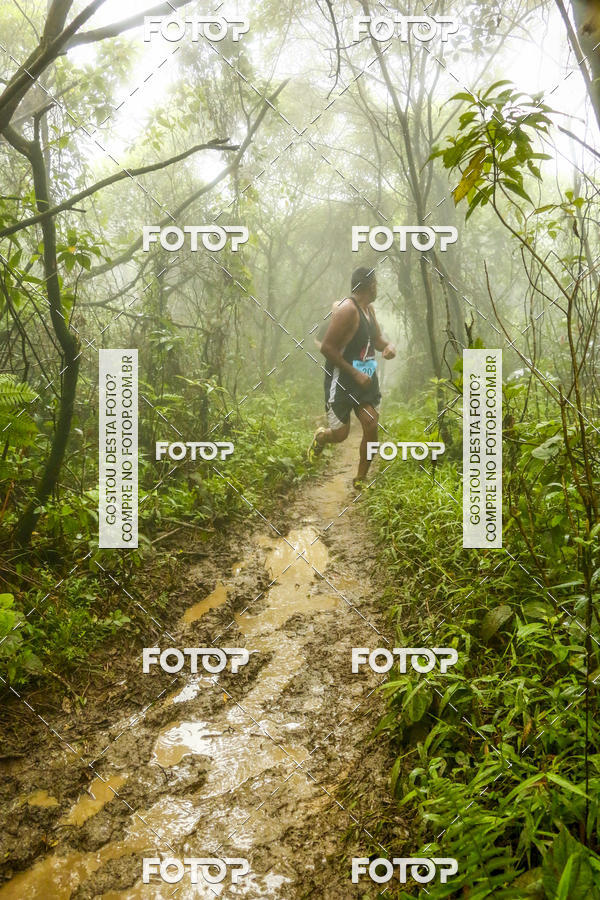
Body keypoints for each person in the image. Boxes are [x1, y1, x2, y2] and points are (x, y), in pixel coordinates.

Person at [308, 266, 396, 489]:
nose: (377, 287)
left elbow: (377, 339)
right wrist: (355, 373)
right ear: (369, 285)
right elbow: (327, 348)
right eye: (375, 283)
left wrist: (389, 347)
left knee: (371, 423)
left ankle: (360, 479)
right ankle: (321, 437)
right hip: (343, 380)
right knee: (340, 435)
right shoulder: (348, 310)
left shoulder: (369, 310)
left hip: (365, 379)